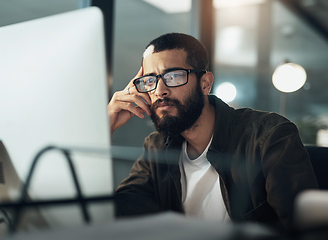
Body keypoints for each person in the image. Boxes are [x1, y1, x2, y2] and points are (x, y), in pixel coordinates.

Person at [108, 33, 318, 231]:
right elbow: (113, 214)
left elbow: (305, 230)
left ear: (205, 83)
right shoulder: (156, 147)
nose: (159, 91)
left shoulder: (269, 136)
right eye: (150, 80)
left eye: (173, 76)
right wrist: (106, 125)